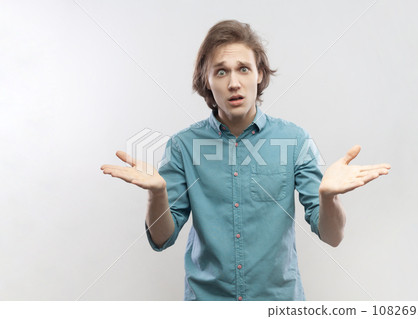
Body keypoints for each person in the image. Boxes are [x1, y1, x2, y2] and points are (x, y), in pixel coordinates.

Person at [100, 20, 391, 301]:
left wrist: (328, 197)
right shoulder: (183, 146)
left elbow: (332, 236)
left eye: (243, 69)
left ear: (260, 74)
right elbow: (162, 239)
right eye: (221, 72)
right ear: (207, 80)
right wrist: (157, 193)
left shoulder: (294, 140)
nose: (234, 83)